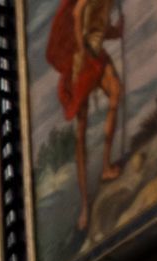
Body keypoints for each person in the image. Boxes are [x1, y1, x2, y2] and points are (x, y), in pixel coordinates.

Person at [47, 0, 127, 232]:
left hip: (97, 55)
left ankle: (106, 166)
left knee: (115, 93)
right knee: (81, 134)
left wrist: (115, 31)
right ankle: (84, 206)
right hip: (82, 60)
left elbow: (97, 27)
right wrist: (81, 50)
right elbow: (77, 13)